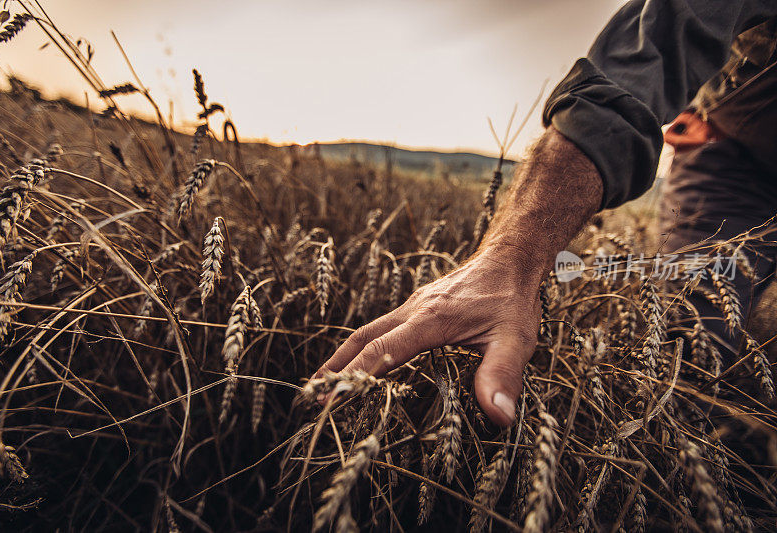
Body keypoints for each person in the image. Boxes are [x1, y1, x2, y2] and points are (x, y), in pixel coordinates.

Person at [315, 0, 777, 427]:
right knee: (696, 343)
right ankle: (691, 443)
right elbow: (644, 62)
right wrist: (510, 260)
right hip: (730, 156)